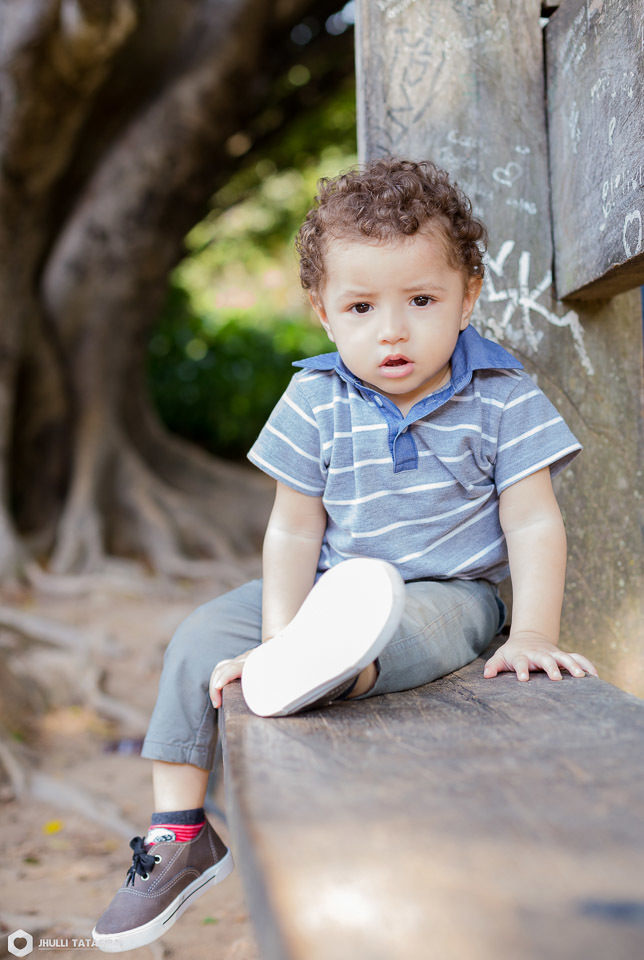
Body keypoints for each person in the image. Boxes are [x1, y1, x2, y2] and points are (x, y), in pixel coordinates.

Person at [92, 158, 598, 952]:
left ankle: (325, 672)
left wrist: (533, 633)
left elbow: (533, 522)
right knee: (198, 638)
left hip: (449, 592)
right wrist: (277, 635)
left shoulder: (502, 394)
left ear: (468, 296)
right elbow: (293, 533)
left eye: (421, 301)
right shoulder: (314, 400)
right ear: (324, 313)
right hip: (327, 593)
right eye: (362, 307)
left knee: (401, 629)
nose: (392, 330)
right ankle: (180, 833)